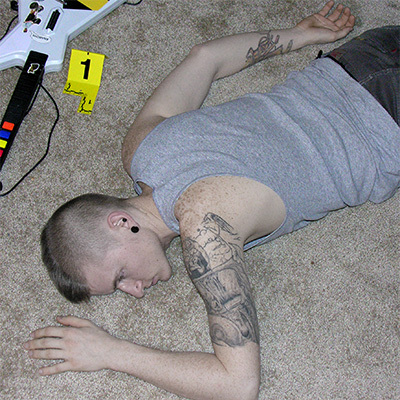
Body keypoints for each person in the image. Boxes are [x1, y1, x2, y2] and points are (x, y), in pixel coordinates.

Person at [23, 2, 400, 399]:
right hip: (364, 54)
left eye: (120, 277)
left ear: (119, 222)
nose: (135, 290)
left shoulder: (206, 232)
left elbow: (238, 386)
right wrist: (302, 35)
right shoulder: (139, 148)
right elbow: (206, 57)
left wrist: (113, 352)